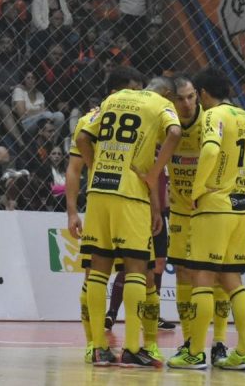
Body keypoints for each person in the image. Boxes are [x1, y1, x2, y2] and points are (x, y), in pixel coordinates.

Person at [168, 67, 245, 371]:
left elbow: (210, 151)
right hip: (240, 211)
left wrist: (197, 188)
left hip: (214, 208)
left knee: (202, 280)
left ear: (203, 94)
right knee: (233, 282)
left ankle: (194, 353)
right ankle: (242, 352)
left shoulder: (213, 116)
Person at [73, 76, 182, 367]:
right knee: (136, 269)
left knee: (98, 270)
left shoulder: (113, 98)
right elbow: (175, 132)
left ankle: (98, 348)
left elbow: (82, 136)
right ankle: (133, 348)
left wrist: (95, 165)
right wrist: (154, 172)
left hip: (98, 191)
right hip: (130, 193)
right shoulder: (160, 104)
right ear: (168, 93)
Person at [65, 65, 145, 364]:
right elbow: (74, 170)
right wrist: (72, 212)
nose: (139, 98)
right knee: (94, 275)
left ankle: (137, 344)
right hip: (106, 203)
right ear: (115, 92)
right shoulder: (90, 121)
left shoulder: (142, 120)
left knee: (134, 273)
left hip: (130, 203)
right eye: (134, 91)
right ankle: (94, 343)